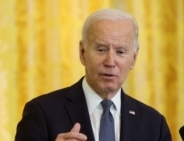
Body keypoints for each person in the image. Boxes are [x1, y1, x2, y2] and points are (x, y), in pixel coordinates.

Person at [15, 8, 172, 141]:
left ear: (134, 58)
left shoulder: (154, 125)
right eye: (101, 49)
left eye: (120, 52)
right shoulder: (41, 113)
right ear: (82, 53)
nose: (110, 61)